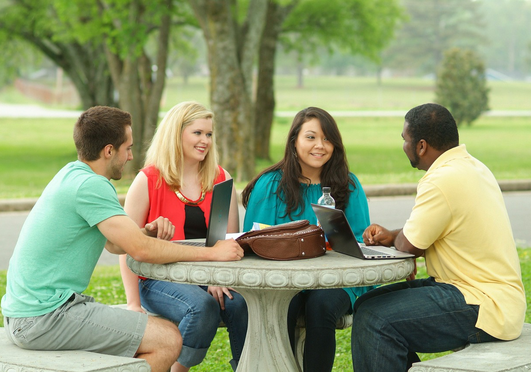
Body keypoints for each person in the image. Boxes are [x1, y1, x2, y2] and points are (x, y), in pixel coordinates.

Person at [1, 106, 244, 372]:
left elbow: (117, 243)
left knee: (164, 335)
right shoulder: (92, 186)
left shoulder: (73, 174)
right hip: (45, 317)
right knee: (166, 340)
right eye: (127, 148)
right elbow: (140, 252)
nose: (130, 156)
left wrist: (144, 233)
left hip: (33, 312)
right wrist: (212, 253)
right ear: (108, 151)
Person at [351, 103, 526, 372]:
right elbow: (431, 230)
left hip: (484, 304)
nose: (403, 146)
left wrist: (398, 238)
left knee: (376, 319)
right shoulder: (472, 167)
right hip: (489, 296)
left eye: (405, 140)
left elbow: (410, 245)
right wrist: (393, 235)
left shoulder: (441, 179)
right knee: (367, 305)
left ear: (421, 146)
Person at [241, 106, 374, 372]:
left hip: (335, 280)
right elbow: (254, 241)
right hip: (281, 280)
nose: (320, 146)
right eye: (311, 137)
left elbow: (359, 242)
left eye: (327, 139)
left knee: (321, 305)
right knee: (282, 307)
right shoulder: (270, 185)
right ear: (294, 141)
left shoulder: (348, 185)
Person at [119, 101, 248, 372]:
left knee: (239, 305)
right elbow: (126, 246)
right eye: (197, 133)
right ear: (176, 133)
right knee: (202, 307)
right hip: (157, 279)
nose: (205, 141)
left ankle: (245, 367)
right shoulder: (148, 180)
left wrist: (218, 277)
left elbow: (230, 241)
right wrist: (132, 303)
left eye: (209, 134)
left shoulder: (221, 179)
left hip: (208, 277)